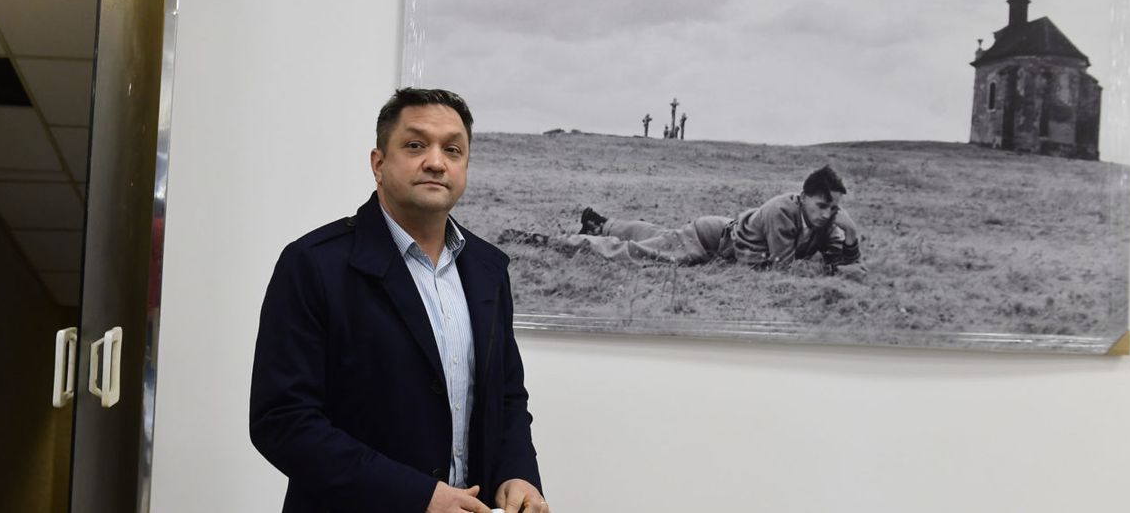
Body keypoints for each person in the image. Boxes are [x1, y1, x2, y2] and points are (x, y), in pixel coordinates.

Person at [250, 88, 547, 513]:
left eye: (453, 150)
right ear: (378, 163)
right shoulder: (314, 264)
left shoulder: (488, 270)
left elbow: (507, 397)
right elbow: (282, 421)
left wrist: (518, 472)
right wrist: (417, 497)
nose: (436, 162)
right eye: (415, 145)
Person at [575, 165, 863, 273]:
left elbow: (849, 263)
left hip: (724, 231)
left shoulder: (826, 220)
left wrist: (850, 233)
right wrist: (834, 271)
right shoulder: (782, 211)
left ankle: (601, 224)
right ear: (803, 197)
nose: (827, 214)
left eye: (833, 208)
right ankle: (565, 241)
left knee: (661, 235)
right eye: (821, 205)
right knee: (640, 253)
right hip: (708, 239)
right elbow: (782, 269)